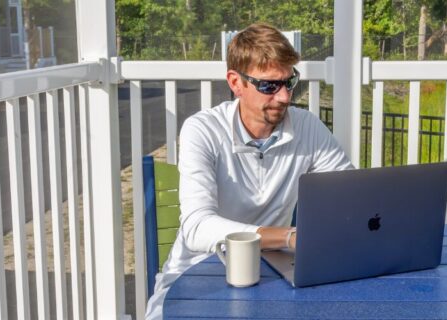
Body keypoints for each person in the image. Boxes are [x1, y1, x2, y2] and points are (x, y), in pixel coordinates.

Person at [145, 23, 353, 320]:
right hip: (197, 279)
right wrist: (289, 237)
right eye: (269, 85)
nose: (284, 97)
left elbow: (348, 197)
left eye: (289, 81)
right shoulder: (203, 130)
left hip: (269, 276)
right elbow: (197, 228)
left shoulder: (308, 127)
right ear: (235, 82)